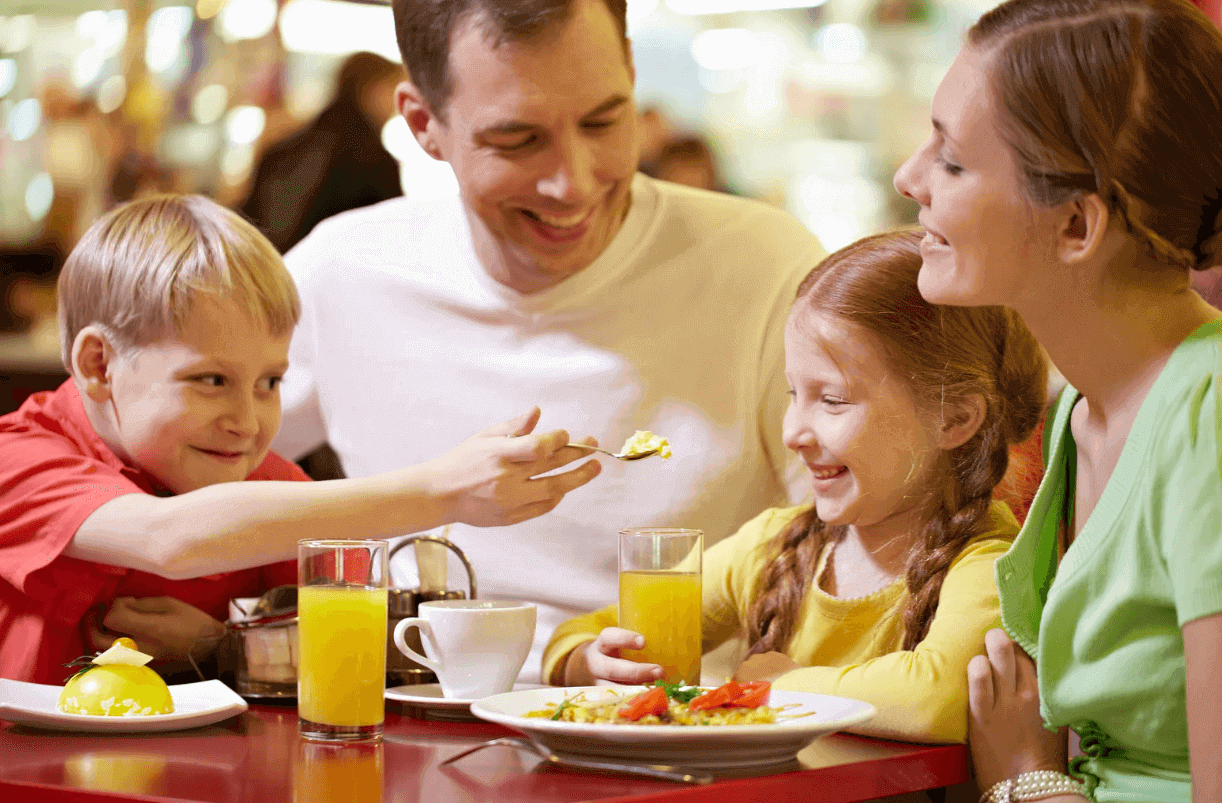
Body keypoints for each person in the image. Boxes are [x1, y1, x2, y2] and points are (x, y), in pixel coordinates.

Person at [272, 0, 827, 682]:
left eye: (603, 120)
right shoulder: (343, 273)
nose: (573, 181)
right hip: (413, 742)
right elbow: (159, 468)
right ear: (423, 124)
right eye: (516, 141)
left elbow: (871, 539)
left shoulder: (765, 267)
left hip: (683, 747)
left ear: (630, 71)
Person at [0, 194, 599, 685]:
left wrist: (219, 649)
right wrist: (444, 490)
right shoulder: (20, 458)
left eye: (270, 381)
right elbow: (170, 537)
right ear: (101, 365)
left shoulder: (266, 485)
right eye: (211, 380)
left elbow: (376, 654)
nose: (248, 419)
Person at [892, 0, 1222, 800]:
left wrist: (1027, 782)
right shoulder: (1085, 404)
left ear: (1075, 224)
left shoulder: (1208, 420)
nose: (909, 177)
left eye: (954, 161)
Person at [545, 230, 1047, 743]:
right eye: (793, 393)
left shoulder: (989, 563)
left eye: (832, 400)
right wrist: (589, 662)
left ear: (954, 418)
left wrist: (779, 684)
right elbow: (585, 632)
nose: (792, 433)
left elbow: (933, 699)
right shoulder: (774, 547)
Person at [240, 51, 405, 255]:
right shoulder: (375, 162)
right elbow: (393, 239)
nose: (398, 107)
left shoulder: (287, 147)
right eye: (393, 91)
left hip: (270, 270)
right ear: (373, 90)